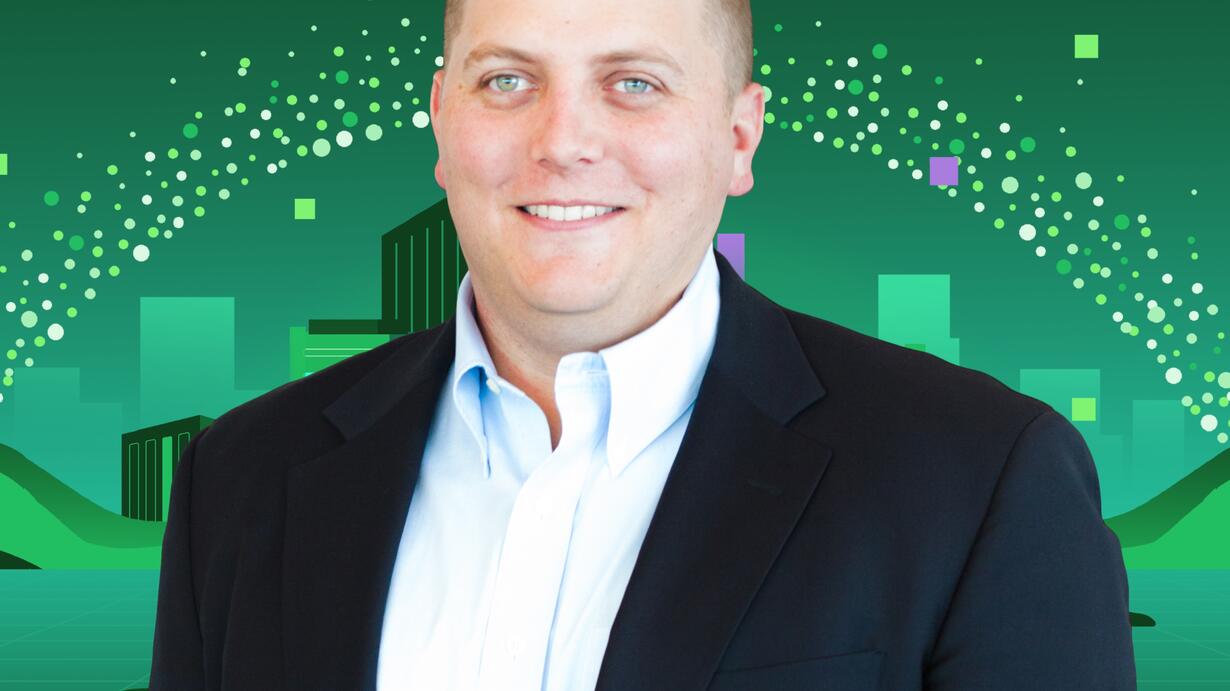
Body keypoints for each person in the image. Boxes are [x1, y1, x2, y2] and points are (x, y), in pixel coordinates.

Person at [149, 0, 1138, 688]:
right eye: (507, 80)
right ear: (443, 120)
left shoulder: (980, 479)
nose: (563, 141)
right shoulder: (237, 478)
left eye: (633, 83)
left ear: (739, 136)